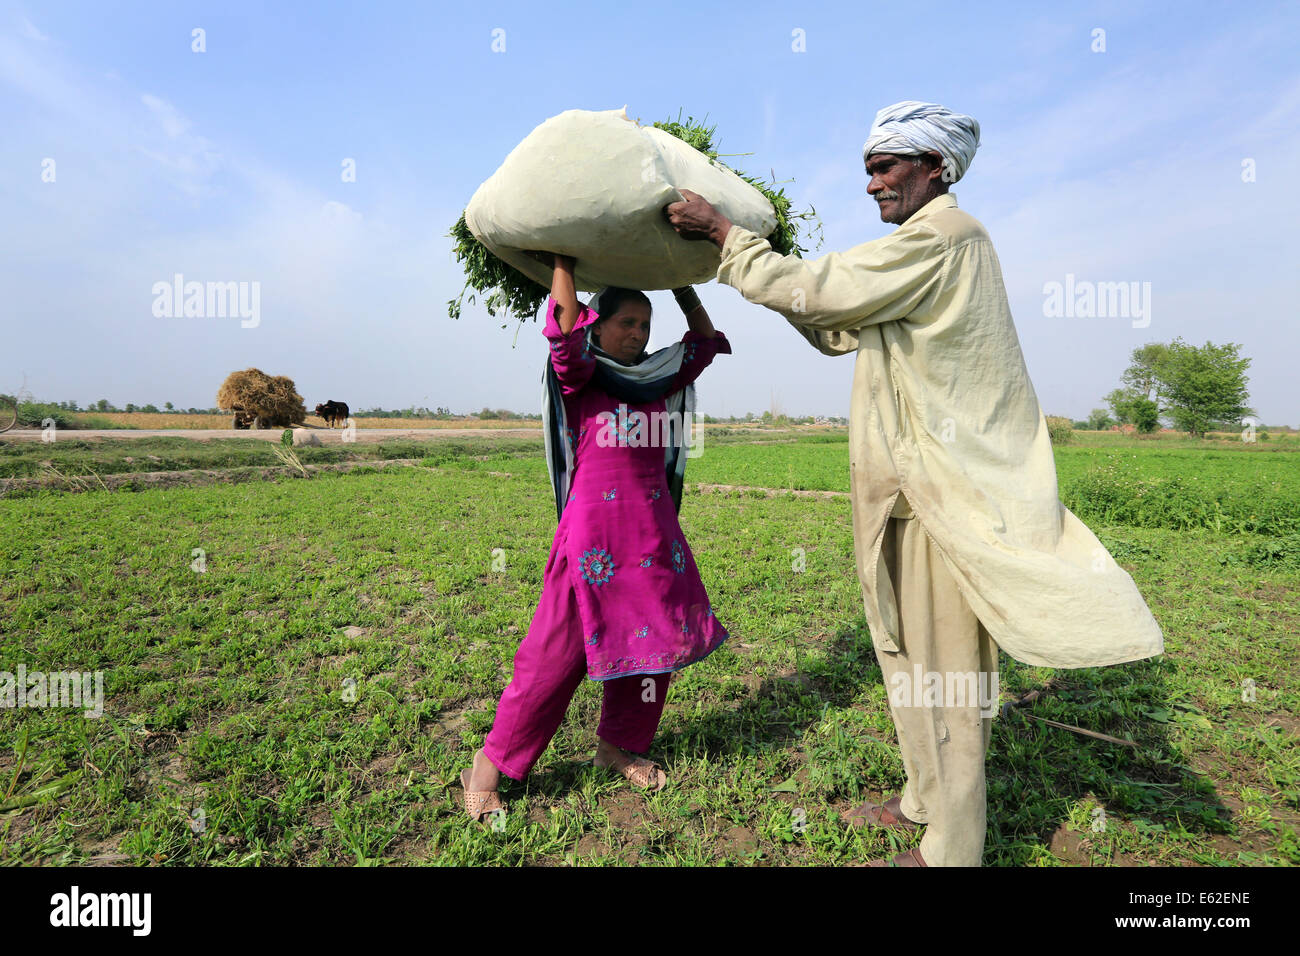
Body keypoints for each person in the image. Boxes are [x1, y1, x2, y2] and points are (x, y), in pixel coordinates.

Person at [665, 100, 1163, 866]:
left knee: (950, 679)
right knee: (906, 659)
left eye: (886, 166)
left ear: (937, 166)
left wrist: (730, 240)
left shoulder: (946, 237)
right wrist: (763, 265)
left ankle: (951, 850)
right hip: (902, 496)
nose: (873, 184)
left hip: (945, 497)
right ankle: (921, 802)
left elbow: (825, 290)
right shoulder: (915, 251)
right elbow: (834, 324)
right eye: (867, 169)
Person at [460, 254, 732, 822]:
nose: (636, 335)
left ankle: (617, 748)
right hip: (591, 544)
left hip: (653, 539)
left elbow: (703, 342)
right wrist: (563, 257)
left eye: (644, 326)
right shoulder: (582, 377)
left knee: (650, 652)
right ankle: (490, 767)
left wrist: (680, 282)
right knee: (551, 657)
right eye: (626, 323)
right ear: (597, 323)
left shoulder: (657, 379)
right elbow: (561, 334)